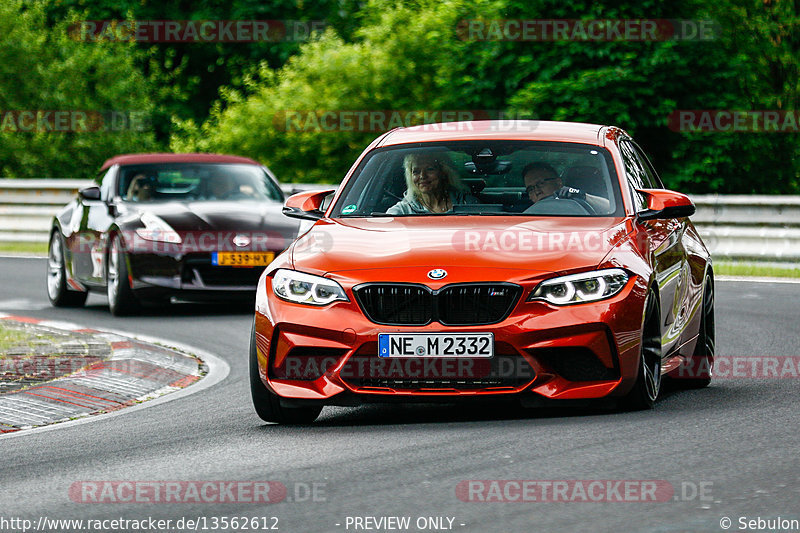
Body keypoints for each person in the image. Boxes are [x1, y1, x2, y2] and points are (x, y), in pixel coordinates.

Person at [386, 153, 476, 215]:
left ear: (443, 173)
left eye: (430, 169)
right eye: (416, 172)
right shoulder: (403, 210)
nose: (422, 176)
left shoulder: (467, 203)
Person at [521, 162, 610, 213]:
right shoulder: (523, 216)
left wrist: (583, 196)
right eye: (531, 189)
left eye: (540, 183)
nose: (537, 191)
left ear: (558, 183)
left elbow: (610, 208)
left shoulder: (578, 200)